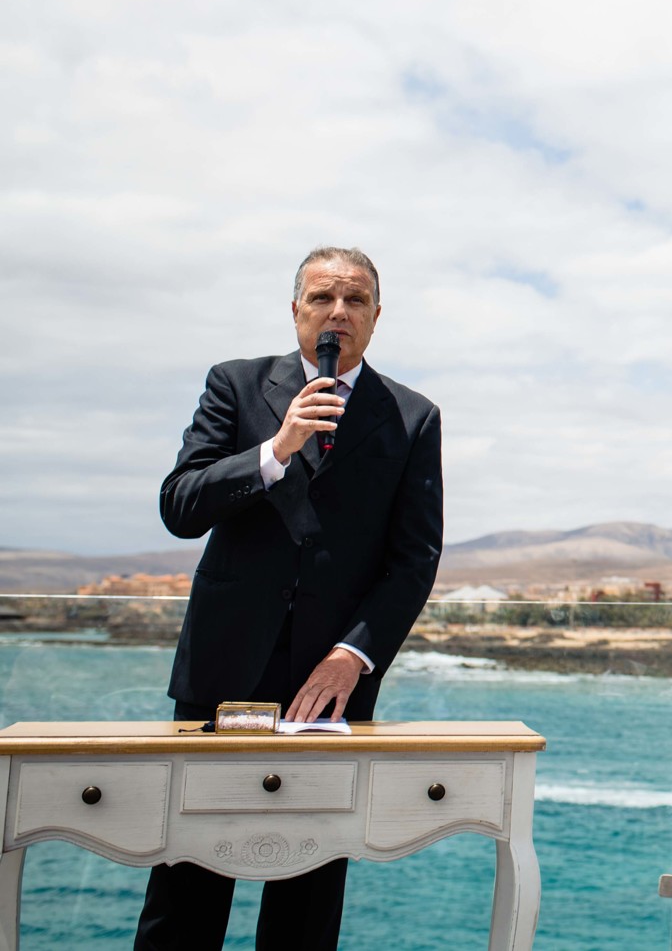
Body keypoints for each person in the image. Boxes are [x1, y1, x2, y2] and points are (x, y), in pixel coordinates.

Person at [136, 247, 444, 951]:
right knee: (185, 891)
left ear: (375, 314)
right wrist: (274, 450)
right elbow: (179, 505)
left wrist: (351, 655)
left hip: (328, 693)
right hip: (221, 679)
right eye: (323, 297)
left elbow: (415, 557)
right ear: (297, 308)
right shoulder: (236, 385)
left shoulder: (413, 416)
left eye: (356, 299)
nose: (339, 311)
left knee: (305, 901)